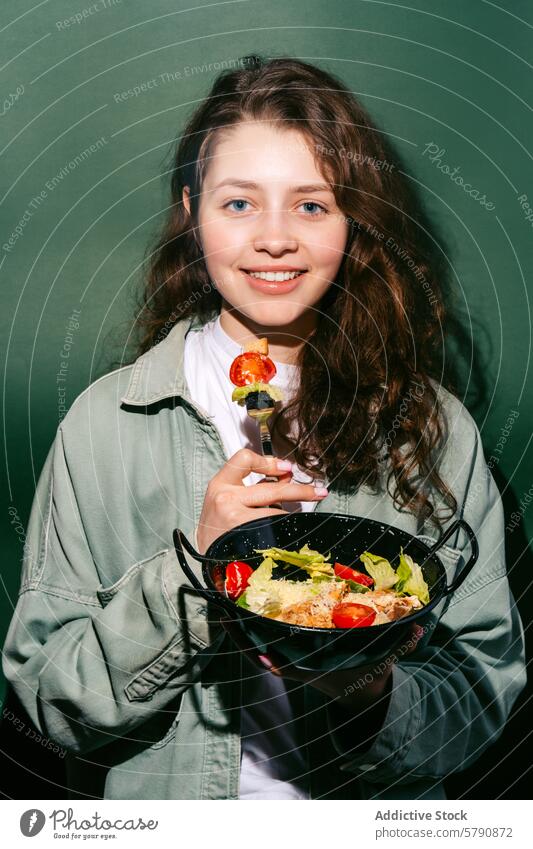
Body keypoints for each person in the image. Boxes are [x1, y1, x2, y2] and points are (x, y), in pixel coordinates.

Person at [2, 56, 525, 801]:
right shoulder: (104, 425)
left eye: (311, 205)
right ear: (190, 212)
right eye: (239, 203)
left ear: (353, 220)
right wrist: (195, 572)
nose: (274, 238)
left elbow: (480, 698)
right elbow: (52, 703)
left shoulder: (431, 425)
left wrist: (366, 689)